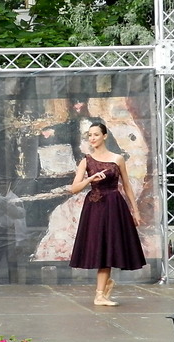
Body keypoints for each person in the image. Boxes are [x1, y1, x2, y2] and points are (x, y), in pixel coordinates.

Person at [68, 122, 145, 306]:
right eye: (89, 135)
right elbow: (74, 188)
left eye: (96, 134)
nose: (92, 138)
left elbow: (127, 186)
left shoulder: (118, 159)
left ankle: (101, 294)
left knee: (110, 247)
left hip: (114, 205)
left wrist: (135, 211)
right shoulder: (86, 161)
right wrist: (90, 179)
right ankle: (100, 294)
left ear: (105, 136)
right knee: (100, 247)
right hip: (95, 207)